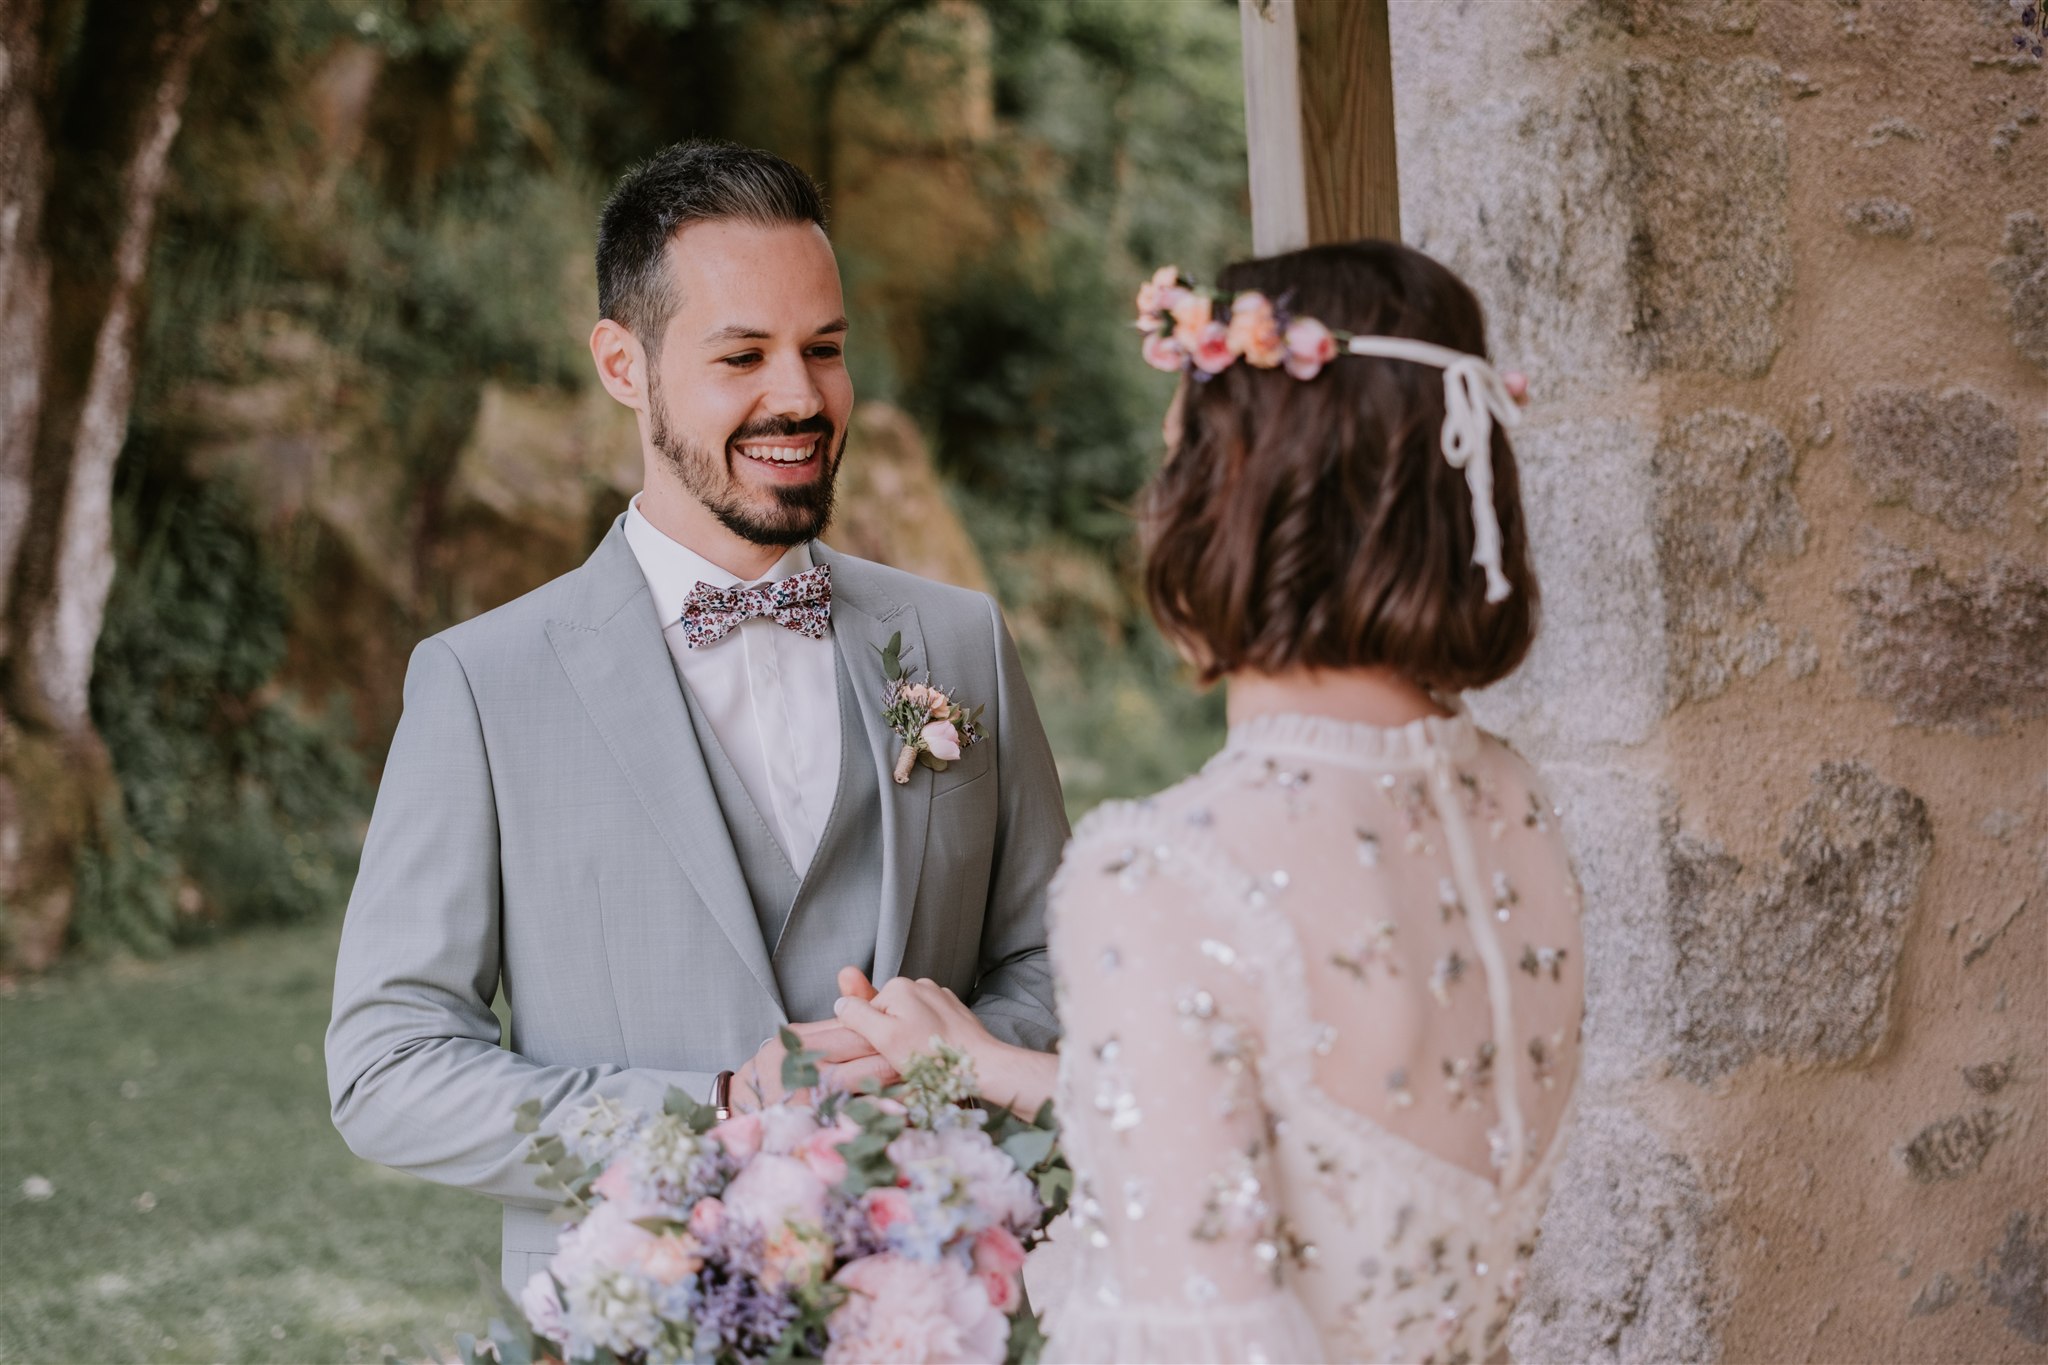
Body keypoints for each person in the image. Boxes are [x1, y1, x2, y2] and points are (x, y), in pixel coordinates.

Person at [324, 141, 1068, 1296]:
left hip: (941, 1303)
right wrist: (714, 1108)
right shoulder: (483, 683)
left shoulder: (956, 640)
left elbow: (1049, 954)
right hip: (642, 1311)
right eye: (742, 356)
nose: (800, 397)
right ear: (624, 365)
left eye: (824, 350)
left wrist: (943, 1071)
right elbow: (388, 1069)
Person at [833, 240, 1584, 1363]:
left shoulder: (1165, 874)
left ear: (1229, 501)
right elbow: (1325, 1153)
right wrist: (986, 1063)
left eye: (1176, 460)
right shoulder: (1511, 804)